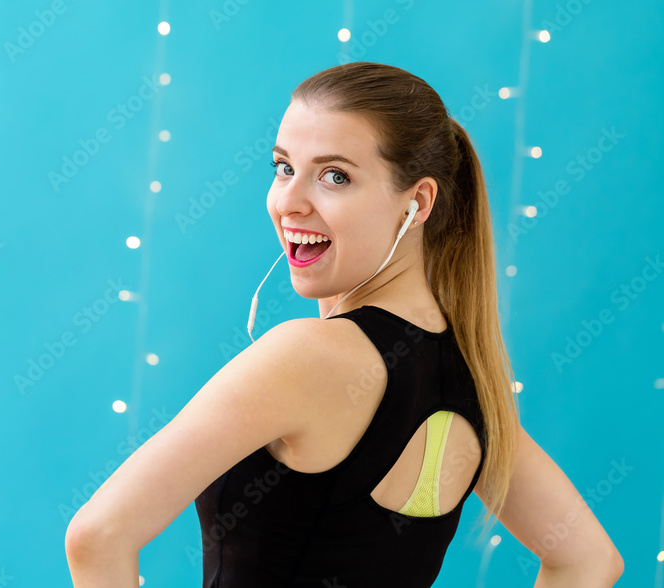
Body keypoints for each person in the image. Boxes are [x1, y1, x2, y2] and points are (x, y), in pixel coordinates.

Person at [64, 61, 624, 587]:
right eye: (284, 167)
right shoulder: (473, 381)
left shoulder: (307, 355)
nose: (289, 202)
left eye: (334, 176)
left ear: (418, 202)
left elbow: (97, 536)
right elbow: (588, 562)